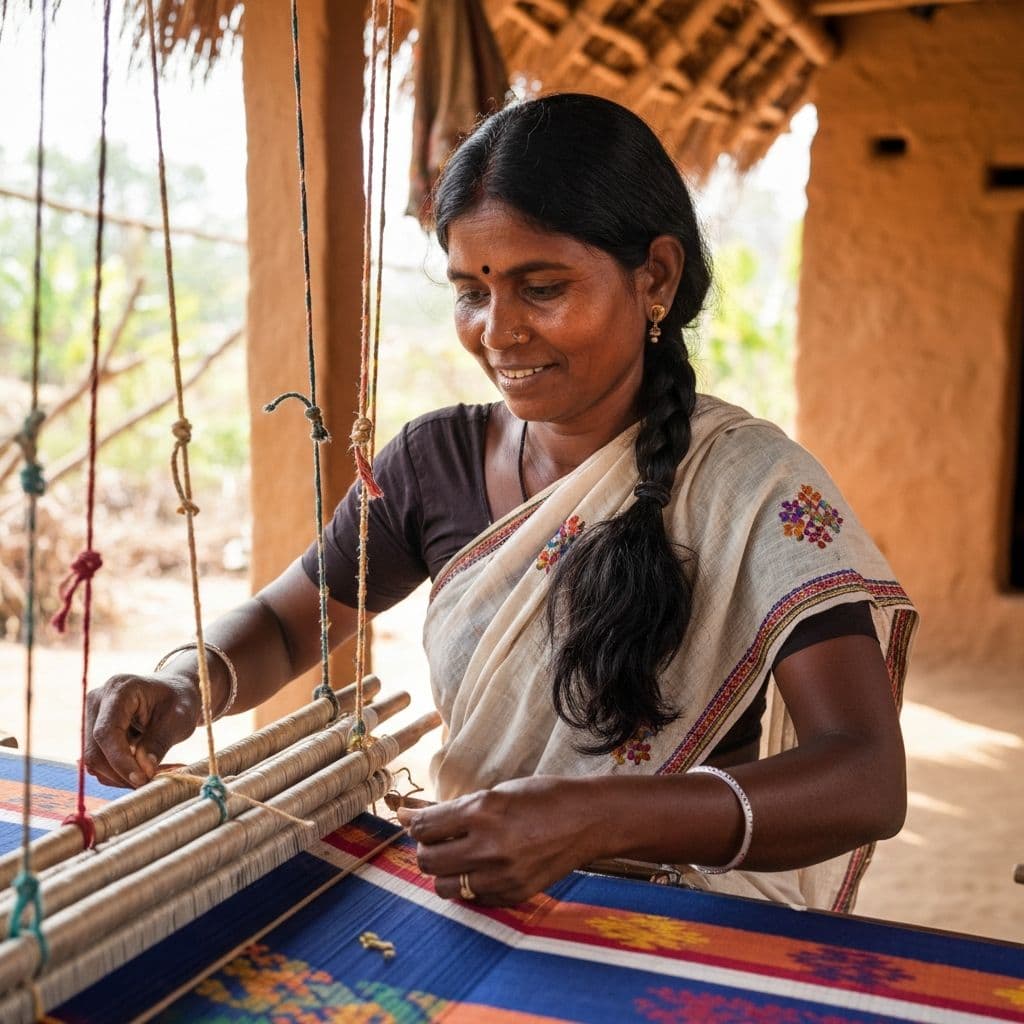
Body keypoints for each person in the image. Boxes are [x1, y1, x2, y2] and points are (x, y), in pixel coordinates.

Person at [84, 93, 916, 912]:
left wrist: (597, 821)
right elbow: (283, 623)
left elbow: (864, 778)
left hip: (680, 922)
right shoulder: (432, 462)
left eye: (542, 288)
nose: (498, 331)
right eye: (471, 293)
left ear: (655, 277)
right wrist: (184, 683)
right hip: (478, 895)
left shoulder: (751, 486)